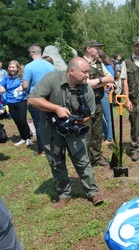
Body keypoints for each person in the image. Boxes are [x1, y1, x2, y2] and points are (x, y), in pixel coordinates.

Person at [28, 57, 104, 209]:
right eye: (84, 72)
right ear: (71, 71)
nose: (88, 75)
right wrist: (56, 109)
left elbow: (90, 114)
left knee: (82, 160)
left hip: (74, 129)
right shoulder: (52, 78)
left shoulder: (86, 88)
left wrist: (78, 121)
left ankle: (93, 192)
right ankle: (64, 194)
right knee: (56, 162)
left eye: (88, 72)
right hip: (50, 128)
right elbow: (32, 100)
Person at [83, 40, 114, 167]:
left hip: (98, 102)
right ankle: (85, 160)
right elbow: (85, 83)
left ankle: (96, 157)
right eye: (96, 48)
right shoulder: (81, 63)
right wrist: (102, 83)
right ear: (88, 49)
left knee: (97, 131)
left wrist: (97, 81)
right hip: (84, 103)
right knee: (86, 133)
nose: (99, 50)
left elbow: (110, 78)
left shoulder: (99, 64)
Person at [22, 43, 56, 155]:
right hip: (50, 98)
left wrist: (27, 94)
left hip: (36, 98)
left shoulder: (29, 66)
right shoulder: (51, 66)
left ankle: (42, 149)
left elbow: (25, 85)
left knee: (38, 124)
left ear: (32, 53)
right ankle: (55, 145)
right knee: (51, 122)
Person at [0, 60, 33, 146]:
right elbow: (2, 85)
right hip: (10, 101)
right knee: (17, 121)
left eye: (13, 67)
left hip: (21, 100)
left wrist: (22, 87)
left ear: (17, 68)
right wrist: (2, 88)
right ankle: (23, 138)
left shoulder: (21, 77)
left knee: (22, 120)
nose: (11, 69)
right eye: (10, 67)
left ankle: (28, 138)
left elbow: (27, 83)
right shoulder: (7, 77)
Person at [97, 49, 115, 146]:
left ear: (103, 58)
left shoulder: (108, 67)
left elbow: (109, 81)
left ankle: (110, 138)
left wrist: (99, 81)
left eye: (99, 57)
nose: (97, 59)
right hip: (98, 95)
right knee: (99, 116)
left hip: (106, 94)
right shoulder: (97, 68)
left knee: (108, 117)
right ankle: (106, 133)